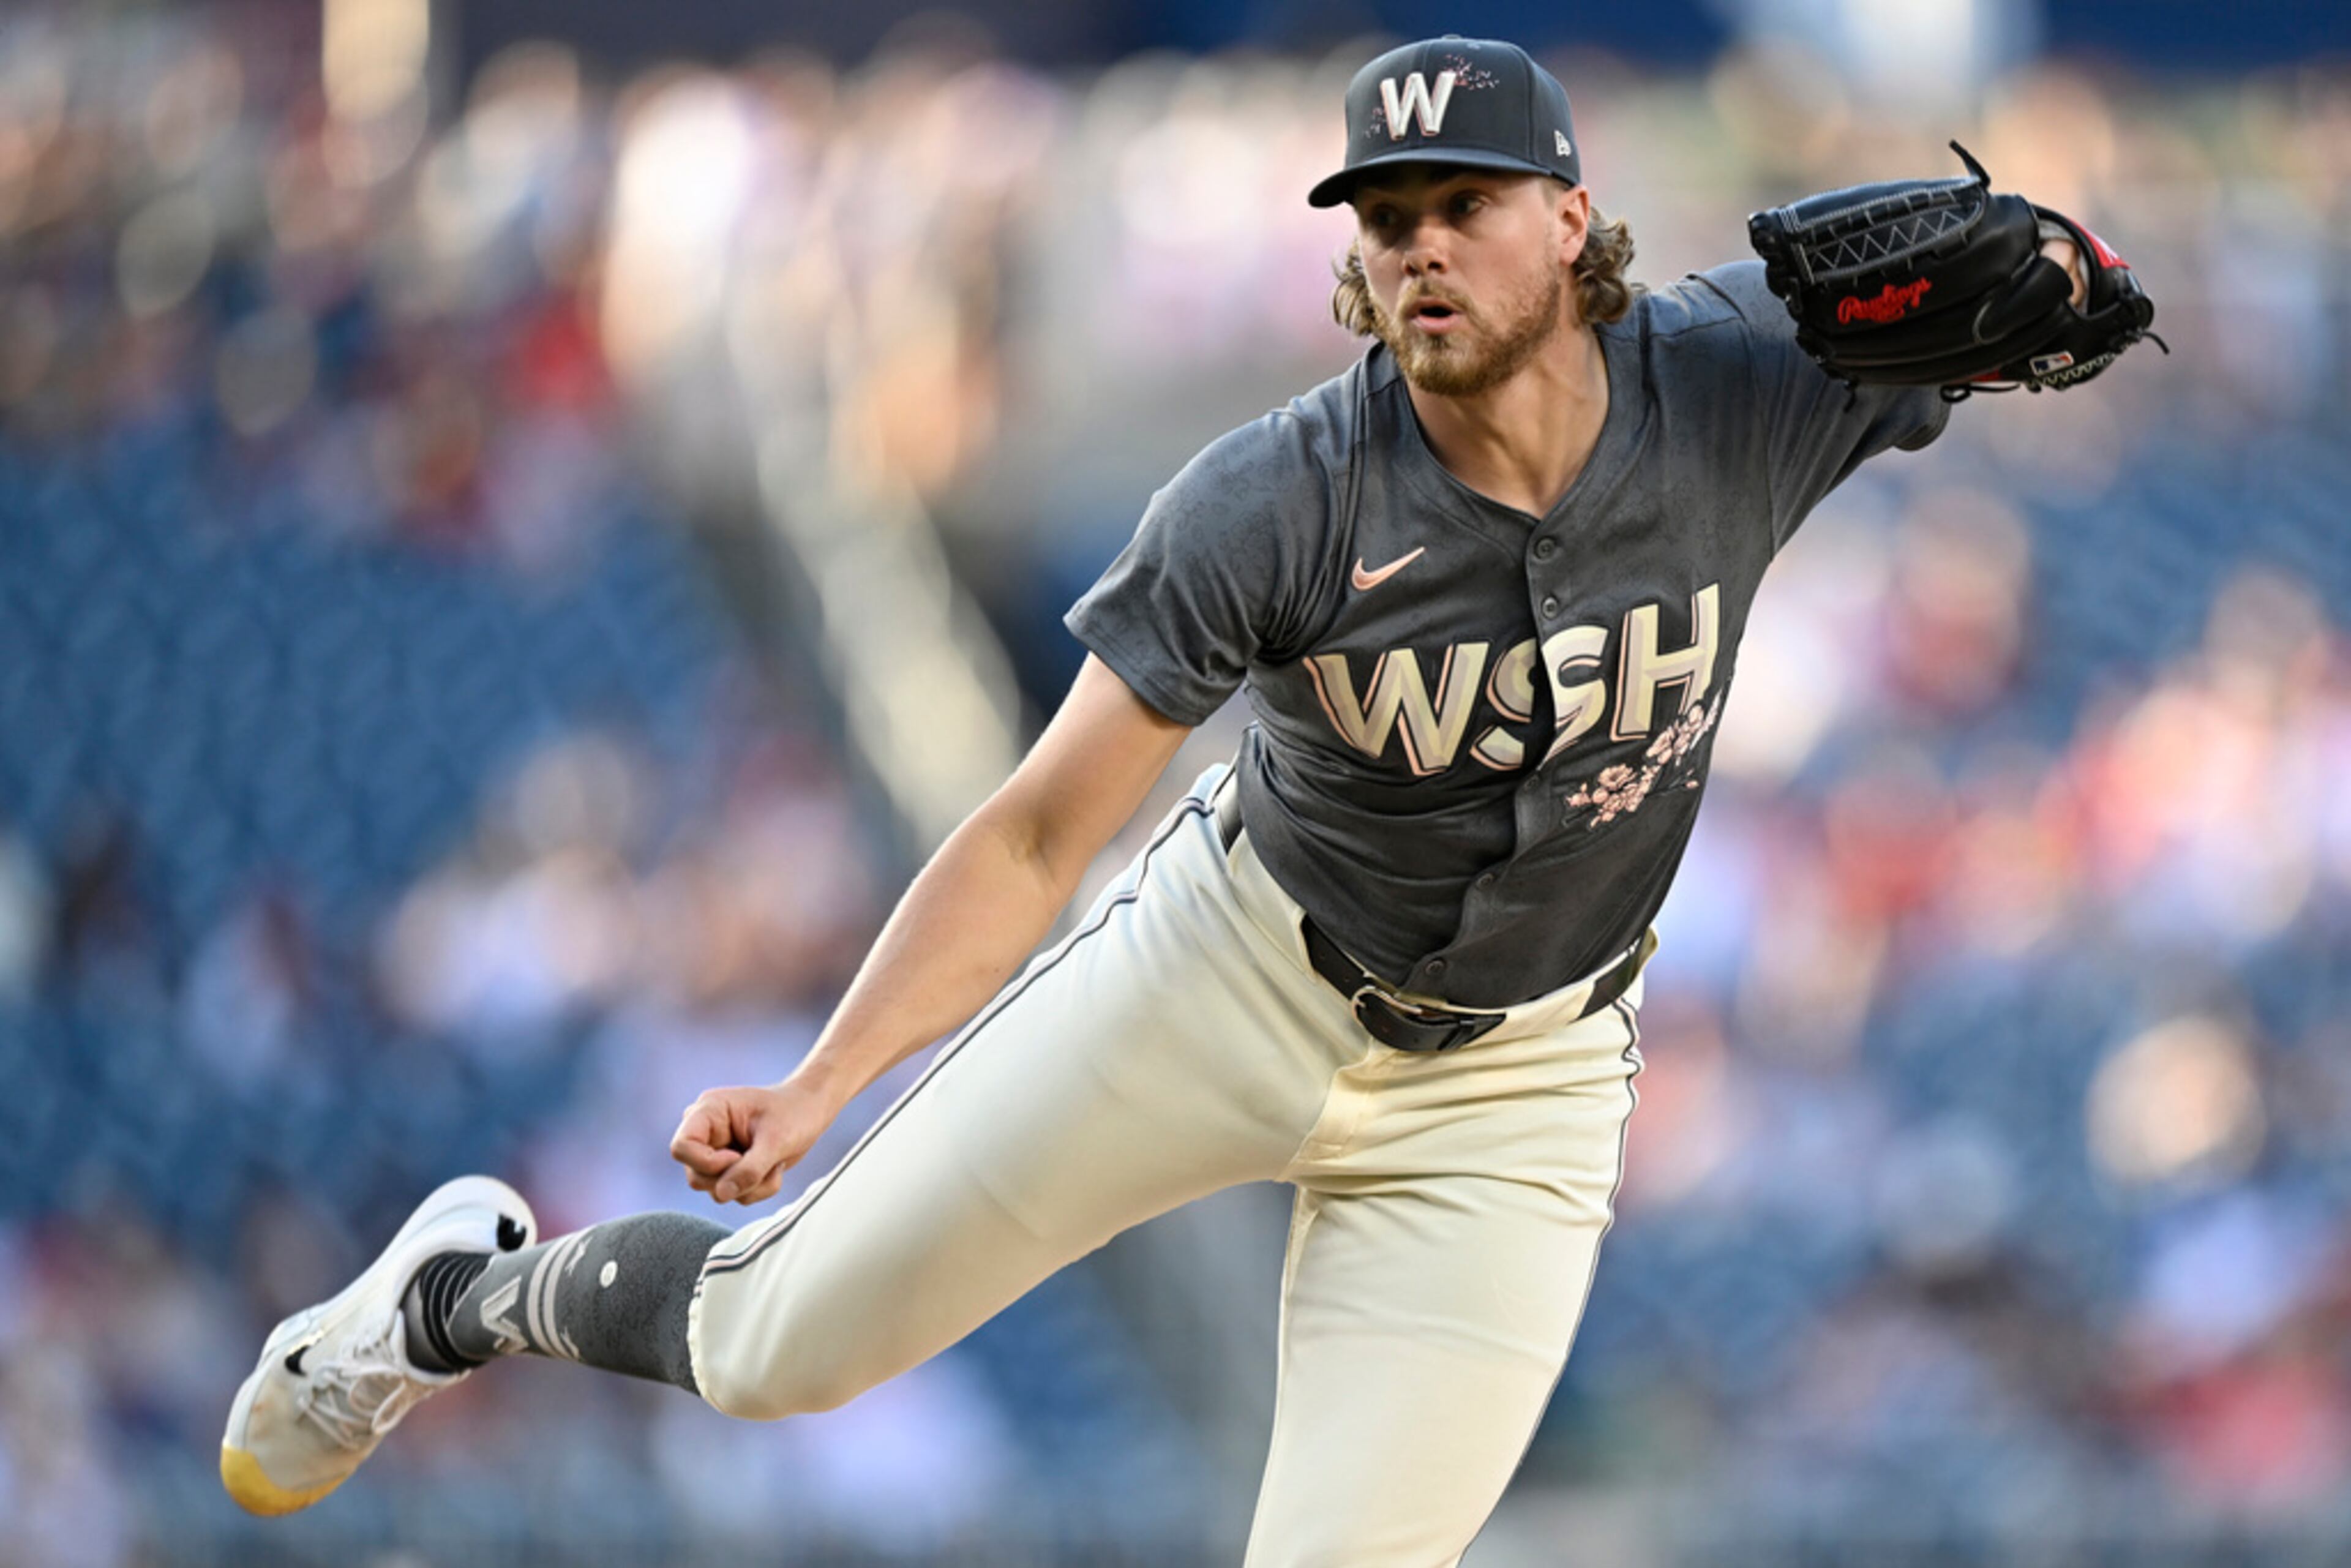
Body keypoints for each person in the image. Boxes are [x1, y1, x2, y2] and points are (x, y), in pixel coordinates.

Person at [223, 35, 2139, 1564]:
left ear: (1572, 222)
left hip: (1515, 1086)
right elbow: (1044, 834)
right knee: (773, 1344)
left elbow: (2046, 306)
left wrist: (2064, 260)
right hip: (1232, 974)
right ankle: (458, 1300)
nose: (1417, 251)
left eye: (1462, 204)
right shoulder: (1279, 493)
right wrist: (823, 1086)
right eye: (1383, 219)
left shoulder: (1743, 379)